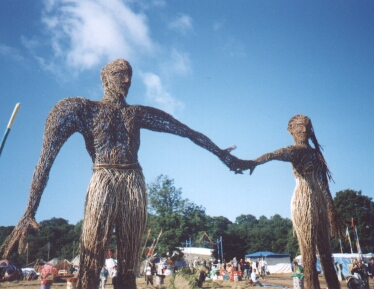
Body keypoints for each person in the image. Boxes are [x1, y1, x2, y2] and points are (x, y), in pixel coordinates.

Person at [0, 59, 253, 289]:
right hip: (103, 181)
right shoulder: (84, 110)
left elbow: (186, 131)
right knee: (90, 263)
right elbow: (45, 160)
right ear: (105, 78)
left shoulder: (136, 113)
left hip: (133, 184)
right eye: (120, 74)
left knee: (129, 266)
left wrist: (222, 154)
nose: (127, 80)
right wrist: (28, 211)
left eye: (130, 75)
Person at [250, 115, 342, 289]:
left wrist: (331, 210)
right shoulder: (295, 151)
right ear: (290, 130)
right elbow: (273, 154)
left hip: (319, 203)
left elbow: (324, 184)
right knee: (308, 256)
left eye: (307, 127)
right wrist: (253, 162)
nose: (304, 130)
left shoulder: (316, 154)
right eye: (299, 127)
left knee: (326, 254)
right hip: (303, 201)